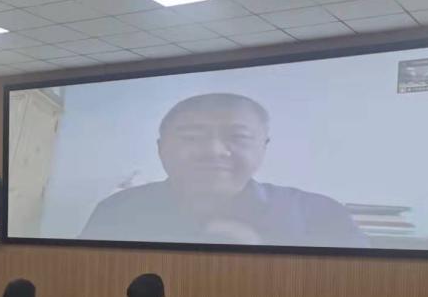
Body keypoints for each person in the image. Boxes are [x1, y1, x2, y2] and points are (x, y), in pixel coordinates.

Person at [80, 93, 369, 248]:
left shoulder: (320, 215)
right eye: (192, 137)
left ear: (263, 147)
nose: (214, 150)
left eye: (237, 136)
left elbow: (359, 294)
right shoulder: (117, 210)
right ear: (161, 148)